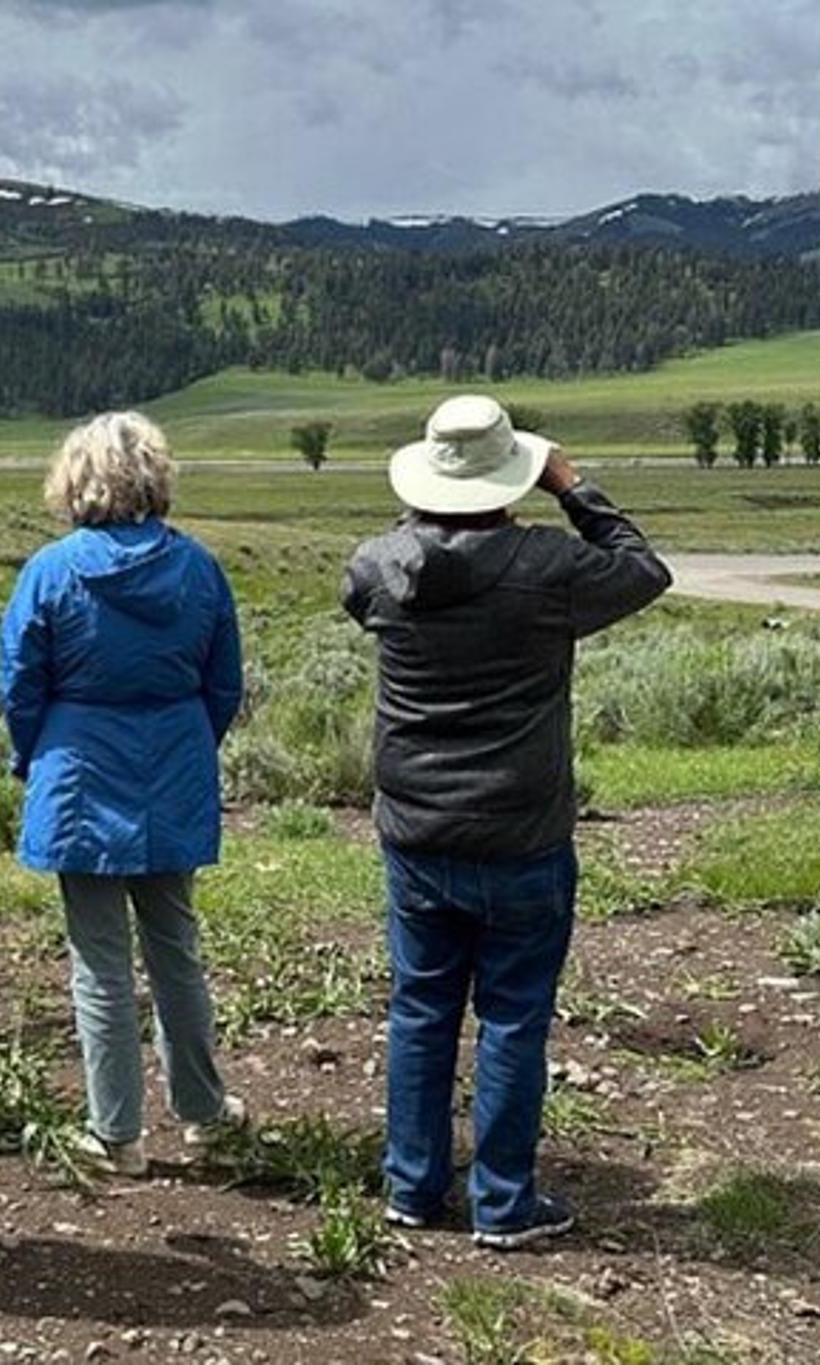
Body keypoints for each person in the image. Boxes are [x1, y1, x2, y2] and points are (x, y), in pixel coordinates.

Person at [342, 395, 670, 1250]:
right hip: (523, 831)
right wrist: (572, 485)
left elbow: (367, 585)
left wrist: (425, 511)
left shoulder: (379, 564)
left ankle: (412, 1186)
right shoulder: (550, 566)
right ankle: (502, 1200)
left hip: (416, 828)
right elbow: (643, 569)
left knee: (421, 1008)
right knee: (515, 1017)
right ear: (510, 477)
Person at [0, 411, 246, 1178]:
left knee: (98, 961)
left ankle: (117, 1132)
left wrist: (32, 755)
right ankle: (204, 1113)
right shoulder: (198, 567)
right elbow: (223, 683)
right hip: (171, 759)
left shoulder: (50, 569)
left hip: (78, 768)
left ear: (76, 479)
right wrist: (185, 743)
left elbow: (19, 682)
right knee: (177, 948)